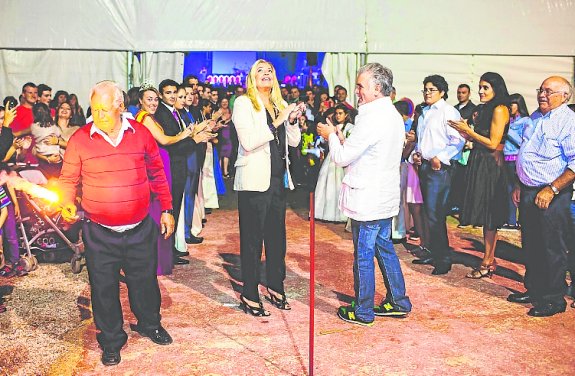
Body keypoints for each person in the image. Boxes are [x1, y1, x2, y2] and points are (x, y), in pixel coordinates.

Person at [59, 81, 175, 366]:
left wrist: (167, 209)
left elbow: (157, 172)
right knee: (103, 288)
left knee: (145, 282)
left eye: (103, 109)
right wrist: (66, 202)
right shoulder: (80, 139)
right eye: (94, 108)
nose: (97, 114)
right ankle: (111, 340)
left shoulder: (141, 134)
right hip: (99, 232)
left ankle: (149, 324)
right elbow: (67, 180)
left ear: (120, 106)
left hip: (139, 228)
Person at [317, 63, 411, 326]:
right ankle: (398, 301)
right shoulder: (391, 114)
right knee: (385, 248)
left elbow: (342, 157)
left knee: (363, 254)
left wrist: (330, 136)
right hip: (384, 196)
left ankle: (363, 310)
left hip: (369, 197)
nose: (356, 91)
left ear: (377, 89)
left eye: (361, 86)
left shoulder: (370, 116)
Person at [233, 59, 303, 316]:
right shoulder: (243, 103)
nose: (266, 74)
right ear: (252, 78)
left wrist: (292, 120)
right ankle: (249, 294)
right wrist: (276, 122)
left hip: (277, 180)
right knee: (252, 240)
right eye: (260, 71)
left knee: (277, 239)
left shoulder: (280, 104)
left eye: (270, 71)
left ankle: (275, 286)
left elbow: (293, 142)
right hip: (253, 180)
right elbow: (249, 141)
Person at [508, 76, 575, 317]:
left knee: (551, 247)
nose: (542, 95)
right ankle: (535, 289)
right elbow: (525, 152)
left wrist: (553, 189)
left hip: (551, 193)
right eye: (540, 90)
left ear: (564, 96)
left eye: (549, 91)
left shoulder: (568, 121)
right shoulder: (536, 117)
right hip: (528, 190)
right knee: (531, 243)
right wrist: (519, 182)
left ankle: (554, 298)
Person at [448, 72, 511, 279]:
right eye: (480, 87)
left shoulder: (500, 109)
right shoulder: (486, 109)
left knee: (490, 214)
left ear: (496, 88)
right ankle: (489, 259)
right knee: (485, 214)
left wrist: (470, 132)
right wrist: (464, 132)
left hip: (491, 164)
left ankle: (487, 261)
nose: (481, 91)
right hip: (481, 161)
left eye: (486, 87)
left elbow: (493, 143)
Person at [135, 84, 195, 273]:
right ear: (140, 101)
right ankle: (156, 260)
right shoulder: (145, 118)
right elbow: (164, 140)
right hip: (155, 168)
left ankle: (161, 257)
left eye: (155, 99)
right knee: (159, 211)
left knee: (161, 210)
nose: (153, 103)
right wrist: (184, 134)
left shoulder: (149, 117)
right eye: (149, 99)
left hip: (161, 165)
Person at [411, 75, 465, 275]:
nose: (427, 92)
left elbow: (458, 140)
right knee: (428, 213)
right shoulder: (424, 112)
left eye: (431, 89)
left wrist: (440, 158)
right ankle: (434, 252)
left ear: (442, 92)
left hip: (439, 169)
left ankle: (443, 258)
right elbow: (423, 139)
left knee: (436, 214)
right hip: (424, 166)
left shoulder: (448, 111)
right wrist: (417, 154)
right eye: (425, 89)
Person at [314, 104, 354, 222]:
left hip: (343, 158)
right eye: (336, 113)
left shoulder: (350, 127)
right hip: (331, 159)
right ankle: (326, 213)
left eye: (340, 113)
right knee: (328, 185)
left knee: (340, 186)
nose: (338, 116)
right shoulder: (333, 126)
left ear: (346, 115)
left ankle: (342, 214)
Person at [501, 93, 532, 230]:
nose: (509, 107)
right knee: (508, 189)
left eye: (511, 104)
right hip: (505, 159)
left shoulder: (526, 121)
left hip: (517, 159)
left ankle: (522, 220)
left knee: (520, 189)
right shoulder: (509, 121)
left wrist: (507, 131)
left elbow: (525, 142)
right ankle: (510, 220)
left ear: (518, 105)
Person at [30, 103, 65, 179]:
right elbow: (59, 133)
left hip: (43, 159)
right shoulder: (53, 126)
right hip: (55, 158)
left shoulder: (33, 127)